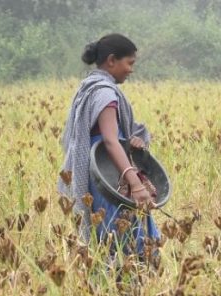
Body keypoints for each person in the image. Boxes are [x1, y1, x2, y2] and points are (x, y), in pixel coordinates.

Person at [58, 34, 159, 259]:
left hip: (101, 171)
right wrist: (136, 184)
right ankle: (128, 289)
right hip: (108, 175)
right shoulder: (105, 93)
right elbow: (111, 141)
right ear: (112, 60)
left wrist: (133, 141)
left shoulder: (89, 88)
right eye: (129, 63)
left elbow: (118, 137)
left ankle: (111, 289)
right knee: (124, 238)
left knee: (105, 236)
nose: (131, 70)